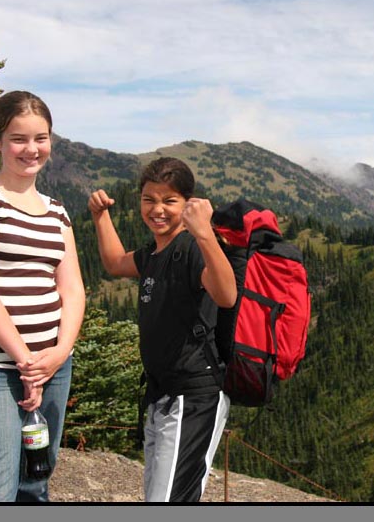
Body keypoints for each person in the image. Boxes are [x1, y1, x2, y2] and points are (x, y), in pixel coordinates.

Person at [0, 90, 85, 502]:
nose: (32, 149)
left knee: (35, 484)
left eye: (40, 138)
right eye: (18, 139)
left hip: (53, 367)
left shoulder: (57, 210)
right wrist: (26, 362)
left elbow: (73, 289)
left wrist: (59, 353)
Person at [88, 157, 236, 502]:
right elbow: (113, 261)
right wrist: (100, 216)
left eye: (170, 201)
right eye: (149, 199)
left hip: (194, 397)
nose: (158, 210)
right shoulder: (155, 252)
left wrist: (204, 234)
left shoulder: (192, 248)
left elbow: (226, 295)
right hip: (162, 396)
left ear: (188, 203)